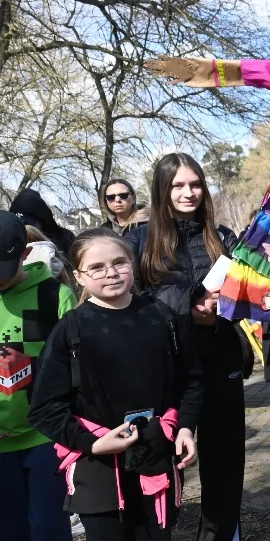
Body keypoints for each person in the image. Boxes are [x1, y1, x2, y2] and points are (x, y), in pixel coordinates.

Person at [28, 228, 202, 541]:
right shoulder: (70, 330)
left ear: (132, 265)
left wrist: (186, 428)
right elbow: (44, 409)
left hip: (156, 454)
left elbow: (190, 381)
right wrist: (92, 443)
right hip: (98, 468)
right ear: (79, 276)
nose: (111, 273)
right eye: (96, 267)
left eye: (119, 262)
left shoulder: (162, 317)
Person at [124, 154, 244, 541]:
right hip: (167, 370)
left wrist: (220, 309)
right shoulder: (139, 240)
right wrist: (191, 304)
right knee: (162, 466)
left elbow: (248, 297)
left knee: (224, 470)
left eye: (195, 184)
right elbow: (133, 301)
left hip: (220, 361)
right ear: (162, 189)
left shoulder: (222, 237)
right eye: (178, 185)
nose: (188, 193)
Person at [0, 211, 76, 541]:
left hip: (46, 436)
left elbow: (76, 367)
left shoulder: (54, 297)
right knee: (10, 529)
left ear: (25, 252)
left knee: (48, 529)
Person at [11, 188, 75, 260]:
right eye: (18, 225)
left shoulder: (66, 239)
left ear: (42, 222)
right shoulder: (9, 242)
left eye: (27, 224)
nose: (25, 230)